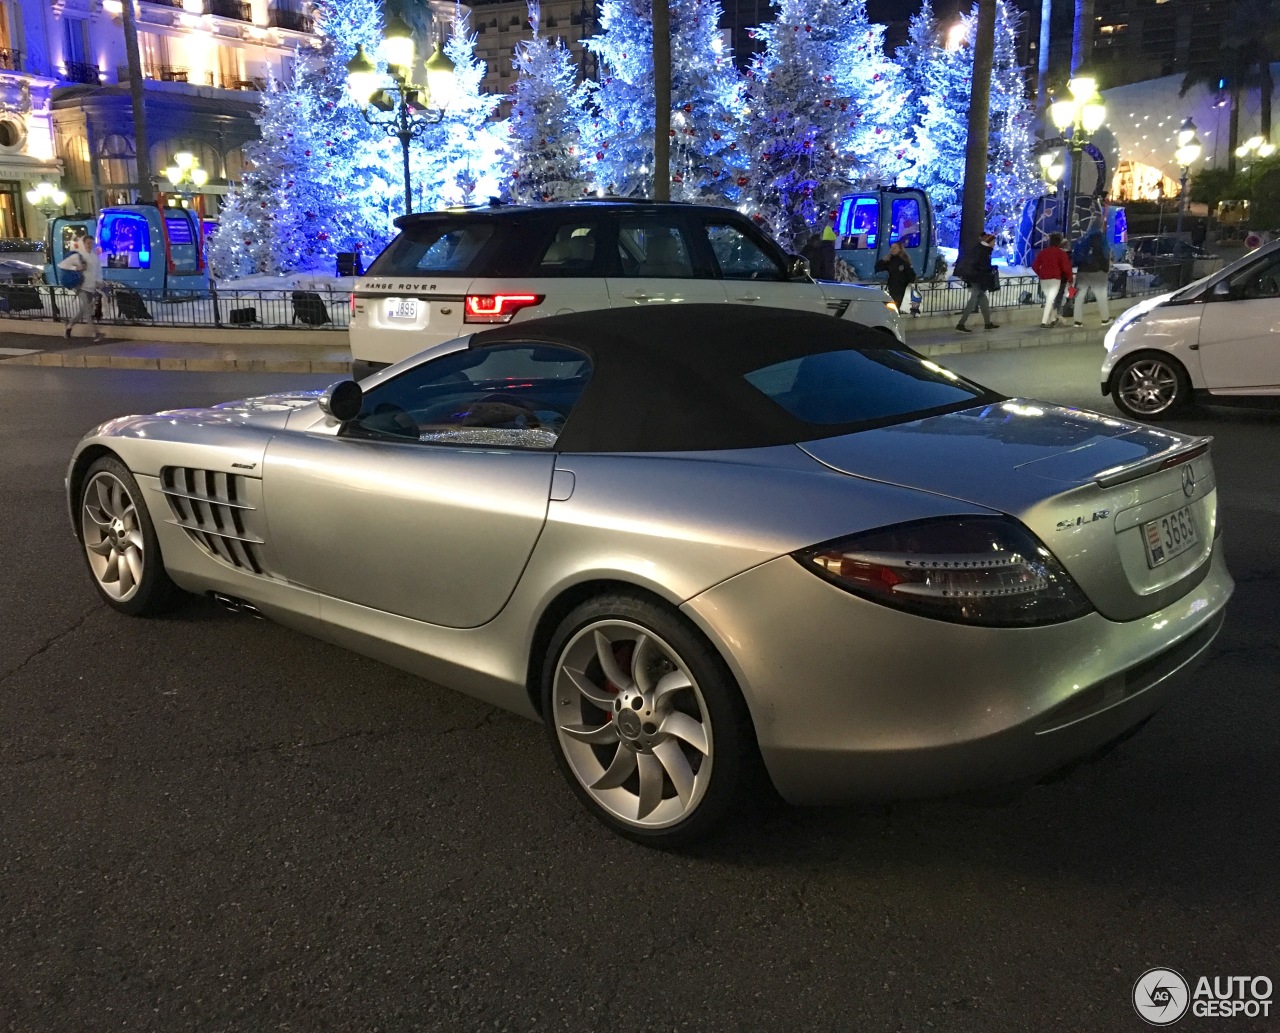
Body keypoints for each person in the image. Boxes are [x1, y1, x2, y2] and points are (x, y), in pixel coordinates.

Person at [954, 232, 1000, 333]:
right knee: (973, 301)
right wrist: (988, 270)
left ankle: (987, 323)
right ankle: (960, 324)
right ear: (989, 242)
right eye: (994, 241)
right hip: (976, 279)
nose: (994, 243)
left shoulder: (983, 250)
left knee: (983, 301)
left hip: (976, 279)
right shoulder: (982, 251)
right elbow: (978, 266)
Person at [62, 234, 103, 341]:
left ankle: (69, 326)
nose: (90, 245)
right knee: (88, 310)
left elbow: (98, 271)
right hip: (81, 287)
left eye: (91, 243)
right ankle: (95, 333)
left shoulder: (94, 257)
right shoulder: (79, 255)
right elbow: (62, 265)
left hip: (91, 287)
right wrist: (76, 268)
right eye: (88, 243)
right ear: (83, 243)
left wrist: (99, 281)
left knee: (83, 311)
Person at [1072, 221, 1113, 327]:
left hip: (1082, 271)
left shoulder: (1084, 238)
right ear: (1099, 226)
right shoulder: (1101, 237)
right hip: (1097, 272)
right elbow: (1106, 253)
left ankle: (1077, 321)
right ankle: (1105, 319)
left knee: (1079, 296)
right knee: (1101, 296)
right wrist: (1105, 269)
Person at [1031, 232, 1073, 328]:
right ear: (1059, 242)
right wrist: (1070, 279)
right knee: (1050, 300)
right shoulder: (1061, 253)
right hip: (1055, 279)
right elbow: (1066, 268)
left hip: (1044, 279)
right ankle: (1044, 322)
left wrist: (1040, 273)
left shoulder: (1043, 252)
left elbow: (1035, 266)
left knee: (1050, 300)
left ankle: (1053, 319)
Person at [874, 241, 917, 311]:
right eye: (891, 248)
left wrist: (907, 283)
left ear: (900, 249)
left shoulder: (904, 261)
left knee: (895, 306)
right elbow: (878, 268)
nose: (892, 249)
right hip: (892, 287)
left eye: (895, 248)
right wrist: (883, 260)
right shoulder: (890, 260)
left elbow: (911, 275)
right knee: (893, 307)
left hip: (901, 288)